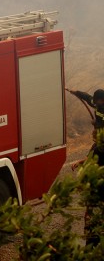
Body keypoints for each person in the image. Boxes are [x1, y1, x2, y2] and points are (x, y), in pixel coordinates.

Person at [68, 88, 104, 246]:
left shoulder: (100, 147)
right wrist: (75, 92)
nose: (96, 103)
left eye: (99, 101)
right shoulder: (95, 103)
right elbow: (87, 97)